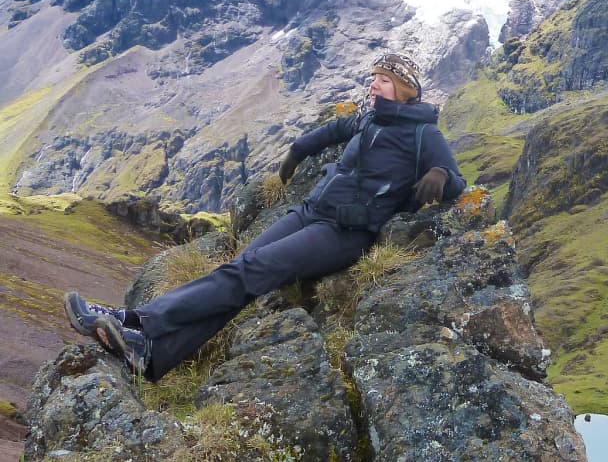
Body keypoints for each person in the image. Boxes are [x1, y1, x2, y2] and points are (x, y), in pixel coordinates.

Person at [63, 52, 467, 380]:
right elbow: (332, 131)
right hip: (310, 212)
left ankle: (135, 322)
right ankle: (150, 356)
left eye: (382, 79)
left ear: (403, 89)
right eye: (373, 77)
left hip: (345, 231)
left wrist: (439, 174)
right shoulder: (371, 118)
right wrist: (297, 149)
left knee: (248, 272)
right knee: (240, 272)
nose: (372, 84)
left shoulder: (422, 134)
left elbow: (456, 182)